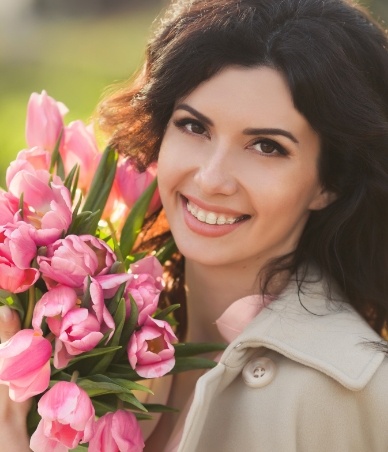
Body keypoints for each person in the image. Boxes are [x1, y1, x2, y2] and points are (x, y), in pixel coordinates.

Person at [2, 0, 388, 450]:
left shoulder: (352, 396)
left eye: (266, 146)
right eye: (193, 127)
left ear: (331, 183)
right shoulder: (85, 329)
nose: (210, 178)